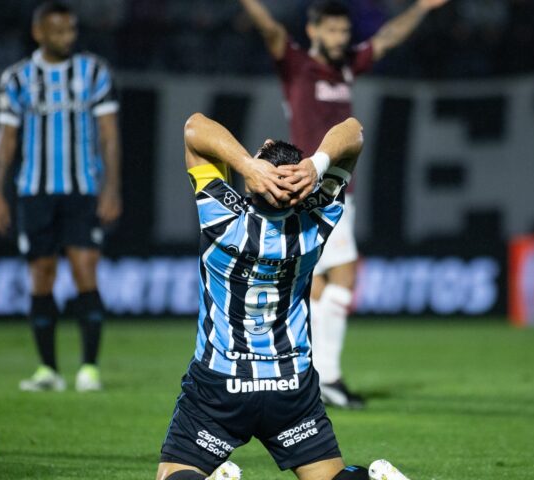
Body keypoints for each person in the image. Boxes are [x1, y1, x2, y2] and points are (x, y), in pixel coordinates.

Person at [155, 113, 410, 480]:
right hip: (291, 386)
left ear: (256, 178)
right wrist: (316, 165)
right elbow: (354, 132)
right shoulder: (316, 220)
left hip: (221, 382)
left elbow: (194, 128)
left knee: (172, 474)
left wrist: (245, 163)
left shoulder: (220, 218)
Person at [238, 0, 450, 409]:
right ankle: (326, 377)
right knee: (343, 278)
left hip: (333, 186)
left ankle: (303, 374)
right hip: (315, 187)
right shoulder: (298, 64)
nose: (340, 39)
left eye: (343, 32)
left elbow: (386, 38)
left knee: (315, 284)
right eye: (331, 31)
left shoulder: (346, 66)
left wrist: (421, 7)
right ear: (314, 30)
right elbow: (271, 31)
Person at [0, 1, 123, 392]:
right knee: (41, 276)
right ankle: (48, 369)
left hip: (83, 190)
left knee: (85, 271)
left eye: (71, 30)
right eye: (59, 31)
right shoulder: (17, 78)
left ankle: (89, 368)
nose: (68, 37)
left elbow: (110, 135)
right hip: (34, 191)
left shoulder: (94, 71)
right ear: (39, 33)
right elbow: (6, 139)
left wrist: (112, 188)